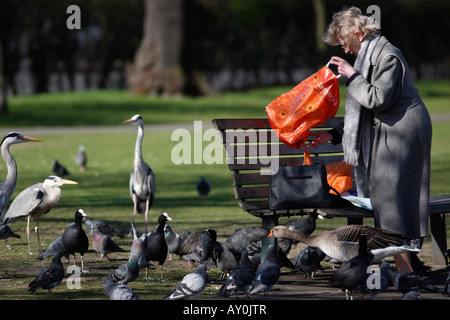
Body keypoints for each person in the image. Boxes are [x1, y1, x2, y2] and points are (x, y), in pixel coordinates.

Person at [308, 6, 432, 272]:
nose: (345, 50)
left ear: (357, 34)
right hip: (392, 127)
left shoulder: (387, 54)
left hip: (402, 130)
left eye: (344, 44)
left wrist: (352, 75)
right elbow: (361, 112)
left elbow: (377, 99)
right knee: (391, 198)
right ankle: (408, 267)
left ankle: (406, 271)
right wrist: (331, 135)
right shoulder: (368, 56)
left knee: (390, 198)